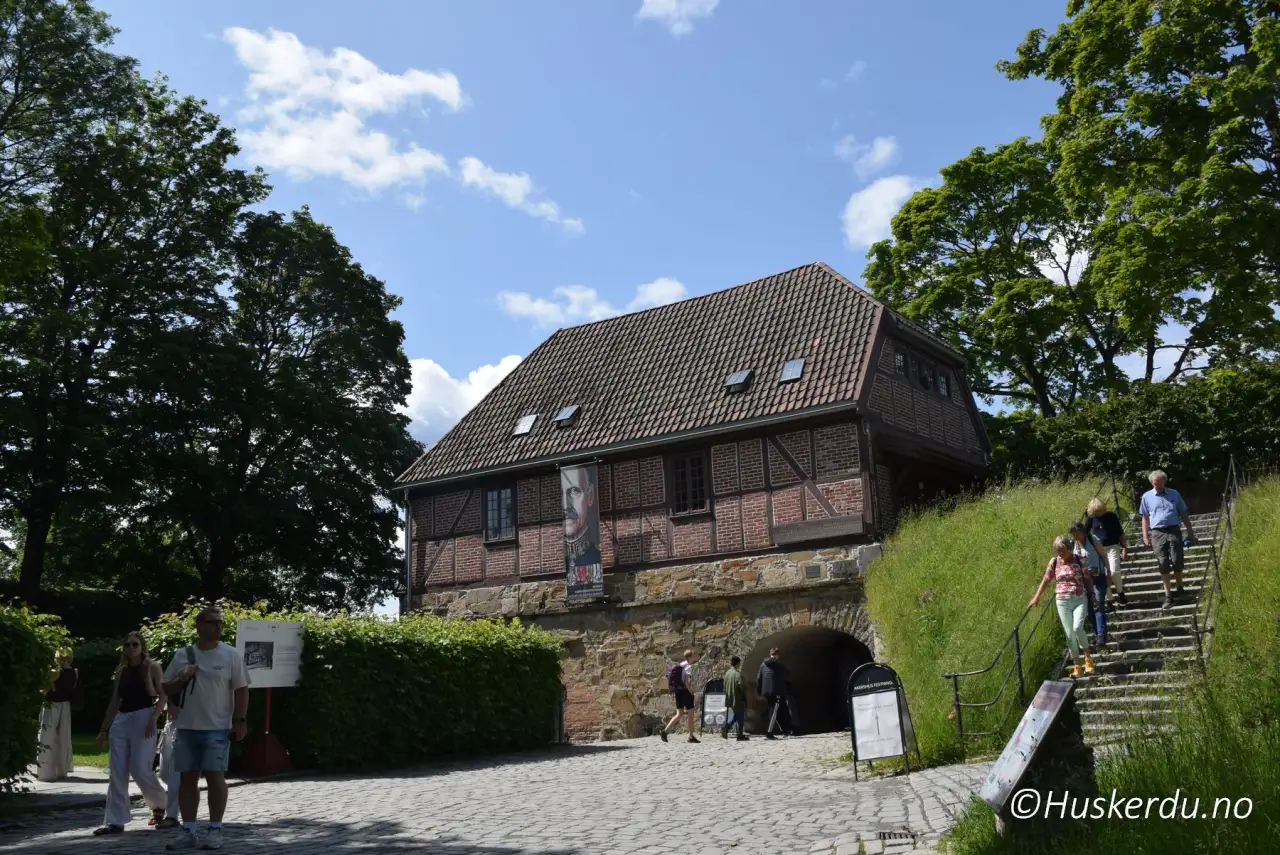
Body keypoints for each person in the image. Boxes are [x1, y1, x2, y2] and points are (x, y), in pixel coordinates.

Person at [161, 607, 250, 852]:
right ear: (199, 625)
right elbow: (166, 687)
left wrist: (240, 720)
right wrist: (182, 678)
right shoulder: (183, 654)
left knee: (215, 777)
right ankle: (188, 830)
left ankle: (215, 829)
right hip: (187, 726)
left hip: (217, 727)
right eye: (213, 622)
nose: (218, 627)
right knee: (187, 779)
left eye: (220, 623)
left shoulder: (231, 655)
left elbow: (242, 689)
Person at [93, 632, 168, 836]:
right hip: (122, 719)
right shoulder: (121, 671)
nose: (131, 648)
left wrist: (154, 718)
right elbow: (115, 700)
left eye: (135, 644)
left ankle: (161, 803)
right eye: (127, 645)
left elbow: (162, 695)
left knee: (140, 768)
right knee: (117, 770)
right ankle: (115, 821)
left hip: (144, 716)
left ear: (142, 646)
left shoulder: (152, 667)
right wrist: (103, 730)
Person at [1030, 535, 1098, 678]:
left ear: (1069, 549)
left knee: (1077, 628)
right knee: (1069, 634)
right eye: (1057, 550)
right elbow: (1046, 579)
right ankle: (1077, 665)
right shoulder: (1054, 562)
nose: (1060, 553)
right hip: (1062, 601)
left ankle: (1088, 658)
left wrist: (1092, 594)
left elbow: (1087, 578)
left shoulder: (1079, 560)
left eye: (1062, 550)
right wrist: (1037, 596)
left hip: (1079, 598)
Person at [1139, 470, 1196, 611]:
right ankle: (1168, 595)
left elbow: (1183, 513)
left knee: (1177, 560)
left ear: (1164, 481)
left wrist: (1190, 532)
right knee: (1163, 562)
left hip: (1173, 530)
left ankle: (1180, 588)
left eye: (1158, 483)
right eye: (1154, 483)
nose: (1156, 485)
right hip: (1157, 533)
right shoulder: (1146, 497)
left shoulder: (1174, 494)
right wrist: (1145, 537)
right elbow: (1145, 518)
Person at [37, 651, 78, 782]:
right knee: (63, 737)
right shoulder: (75, 672)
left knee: (47, 737)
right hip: (65, 706)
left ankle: (46, 772)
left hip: (51, 705)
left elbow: (44, 691)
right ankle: (61, 770)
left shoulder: (54, 671)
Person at [1070, 521, 1109, 646]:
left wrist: (1109, 573)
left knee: (1098, 605)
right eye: (1072, 534)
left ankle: (1101, 636)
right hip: (1085, 581)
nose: (1073, 536)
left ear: (1081, 532)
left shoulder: (1093, 539)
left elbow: (1104, 556)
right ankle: (1098, 634)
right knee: (1090, 610)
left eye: (1075, 534)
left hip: (1099, 578)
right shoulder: (1074, 545)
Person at [1086, 498, 1129, 607]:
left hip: (1113, 547)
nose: (1099, 514)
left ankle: (1121, 592)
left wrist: (1124, 548)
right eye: (1096, 512)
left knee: (1114, 571)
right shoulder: (1091, 518)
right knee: (1103, 575)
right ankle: (1110, 600)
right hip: (1099, 550)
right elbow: (1085, 533)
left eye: (1100, 511)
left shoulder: (1111, 516)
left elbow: (1120, 532)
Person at [659, 649, 699, 744]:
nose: (695, 656)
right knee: (691, 714)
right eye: (694, 655)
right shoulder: (689, 666)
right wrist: (691, 692)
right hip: (685, 692)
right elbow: (686, 681)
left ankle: (665, 731)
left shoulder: (682, 664)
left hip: (678, 692)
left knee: (679, 714)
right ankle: (691, 736)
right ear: (690, 657)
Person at [756, 648, 793, 739]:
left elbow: (759, 678)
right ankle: (769, 732)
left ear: (770, 654)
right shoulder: (779, 664)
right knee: (775, 711)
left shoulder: (763, 664)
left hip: (767, 692)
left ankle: (785, 730)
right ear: (777, 655)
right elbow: (787, 674)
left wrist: (759, 691)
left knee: (778, 710)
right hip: (777, 691)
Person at [721, 656, 748, 741]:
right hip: (738, 698)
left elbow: (724, 685)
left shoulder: (727, 673)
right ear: (738, 663)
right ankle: (739, 734)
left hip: (730, 698)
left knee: (736, 716)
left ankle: (727, 727)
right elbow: (741, 686)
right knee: (740, 716)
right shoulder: (737, 674)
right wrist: (745, 695)